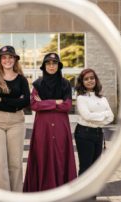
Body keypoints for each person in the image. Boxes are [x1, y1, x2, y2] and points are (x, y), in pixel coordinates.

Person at [23, 53, 77, 192]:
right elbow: (34, 105)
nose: (51, 66)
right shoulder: (38, 84)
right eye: (48, 63)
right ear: (44, 66)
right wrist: (55, 102)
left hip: (60, 126)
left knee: (60, 154)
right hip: (43, 126)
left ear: (59, 66)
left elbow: (67, 106)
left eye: (54, 63)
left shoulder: (65, 84)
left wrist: (45, 103)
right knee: (42, 155)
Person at [0, 45, 30, 192]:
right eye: (4, 57)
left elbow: (26, 102)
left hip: (16, 122)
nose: (7, 60)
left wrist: (2, 100)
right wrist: (15, 104)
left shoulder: (22, 80)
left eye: (10, 57)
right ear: (0, 60)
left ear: (15, 59)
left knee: (15, 163)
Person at [74, 68, 114, 176]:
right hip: (84, 134)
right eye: (86, 79)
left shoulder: (103, 99)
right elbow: (87, 116)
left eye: (92, 78)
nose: (90, 80)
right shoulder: (81, 98)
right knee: (86, 168)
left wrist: (95, 119)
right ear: (82, 82)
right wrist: (103, 115)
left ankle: (92, 193)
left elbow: (111, 117)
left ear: (96, 80)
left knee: (96, 168)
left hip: (98, 134)